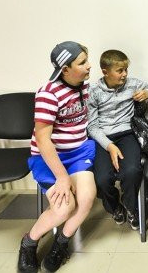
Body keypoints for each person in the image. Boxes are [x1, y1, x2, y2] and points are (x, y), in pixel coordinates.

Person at [18, 41, 97, 273]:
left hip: (78, 151)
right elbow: (43, 141)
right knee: (64, 208)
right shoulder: (48, 94)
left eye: (87, 60)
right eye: (82, 63)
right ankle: (29, 242)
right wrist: (62, 177)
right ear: (65, 69)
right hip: (49, 156)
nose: (89, 66)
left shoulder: (84, 86)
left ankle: (60, 244)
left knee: (86, 198)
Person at [87, 49, 148, 230]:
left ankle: (131, 208)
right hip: (103, 137)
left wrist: (147, 92)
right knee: (102, 179)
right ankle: (114, 207)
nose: (124, 74)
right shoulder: (93, 91)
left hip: (127, 133)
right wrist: (109, 145)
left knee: (131, 171)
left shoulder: (132, 84)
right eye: (119, 71)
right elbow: (92, 126)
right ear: (105, 72)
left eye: (126, 70)